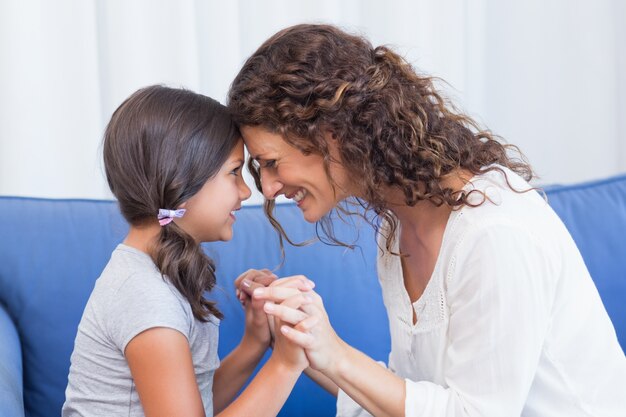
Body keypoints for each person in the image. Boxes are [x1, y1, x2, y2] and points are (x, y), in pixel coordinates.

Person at [228, 24, 626, 417]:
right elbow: (409, 400)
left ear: (332, 133)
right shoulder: (396, 229)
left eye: (271, 163)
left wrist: (335, 352)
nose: (266, 188)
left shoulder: (494, 234)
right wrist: (301, 335)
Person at [62, 85, 313, 417]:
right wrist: (285, 365)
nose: (245, 190)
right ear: (183, 181)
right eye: (234, 172)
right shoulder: (144, 296)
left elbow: (197, 405)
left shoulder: (156, 274)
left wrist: (255, 342)